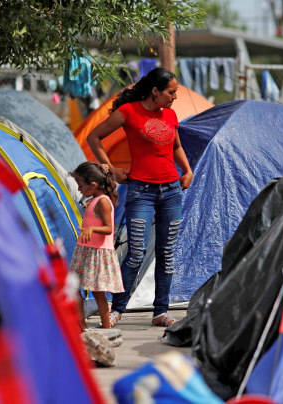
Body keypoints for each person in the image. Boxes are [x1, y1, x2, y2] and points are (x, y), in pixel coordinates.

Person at [87, 67, 193, 328]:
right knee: (136, 253)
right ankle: (117, 309)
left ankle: (160, 312)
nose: (175, 96)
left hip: (171, 191)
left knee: (166, 254)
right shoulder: (129, 112)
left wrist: (188, 170)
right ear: (155, 91)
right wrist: (109, 170)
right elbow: (94, 137)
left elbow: (176, 146)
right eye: (171, 92)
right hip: (140, 192)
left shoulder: (170, 114)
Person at [69, 161, 124, 330]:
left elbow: (109, 228)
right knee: (74, 286)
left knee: (98, 292)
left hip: (97, 252)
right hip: (86, 250)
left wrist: (91, 228)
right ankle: (81, 325)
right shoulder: (95, 199)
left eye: (81, 186)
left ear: (93, 185)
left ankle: (106, 327)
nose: (79, 190)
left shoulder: (103, 202)